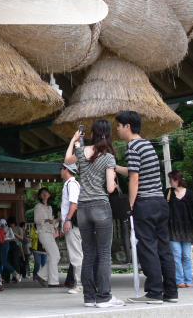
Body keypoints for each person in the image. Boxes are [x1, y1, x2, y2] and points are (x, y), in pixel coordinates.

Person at [115, 110, 178, 304]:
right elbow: (134, 171)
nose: (116, 129)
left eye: (118, 125)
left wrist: (130, 206)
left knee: (148, 248)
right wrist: (114, 167)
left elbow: (135, 179)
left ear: (127, 126)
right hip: (159, 202)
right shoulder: (147, 145)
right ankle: (171, 291)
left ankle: (153, 292)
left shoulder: (132, 146)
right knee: (164, 248)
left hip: (145, 203)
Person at [64, 120, 123, 308]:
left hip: (83, 208)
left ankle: (89, 297)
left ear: (92, 133)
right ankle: (104, 297)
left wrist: (74, 140)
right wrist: (113, 179)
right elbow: (110, 188)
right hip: (100, 206)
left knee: (88, 254)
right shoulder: (109, 157)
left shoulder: (82, 151)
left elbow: (67, 161)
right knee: (104, 254)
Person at [168, 171, 193, 288]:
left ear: (178, 180)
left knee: (186, 255)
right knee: (176, 255)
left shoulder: (190, 193)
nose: (170, 181)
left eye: (172, 179)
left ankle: (189, 279)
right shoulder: (168, 192)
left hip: (186, 228)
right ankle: (179, 280)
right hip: (173, 228)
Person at [60, 163, 83, 295]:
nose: (60, 171)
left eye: (61, 169)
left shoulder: (71, 184)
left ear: (66, 169)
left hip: (73, 225)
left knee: (76, 254)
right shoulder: (71, 184)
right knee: (77, 253)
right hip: (74, 224)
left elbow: (74, 203)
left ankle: (79, 283)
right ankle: (80, 282)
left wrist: (67, 220)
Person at [32, 187, 62, 287]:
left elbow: (52, 223)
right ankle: (53, 281)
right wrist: (45, 220)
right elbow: (36, 220)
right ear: (40, 196)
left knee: (57, 256)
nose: (44, 194)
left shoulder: (50, 208)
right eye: (42, 192)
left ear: (49, 195)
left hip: (49, 232)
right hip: (43, 233)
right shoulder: (38, 206)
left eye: (46, 192)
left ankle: (41, 275)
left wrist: (57, 220)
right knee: (54, 256)